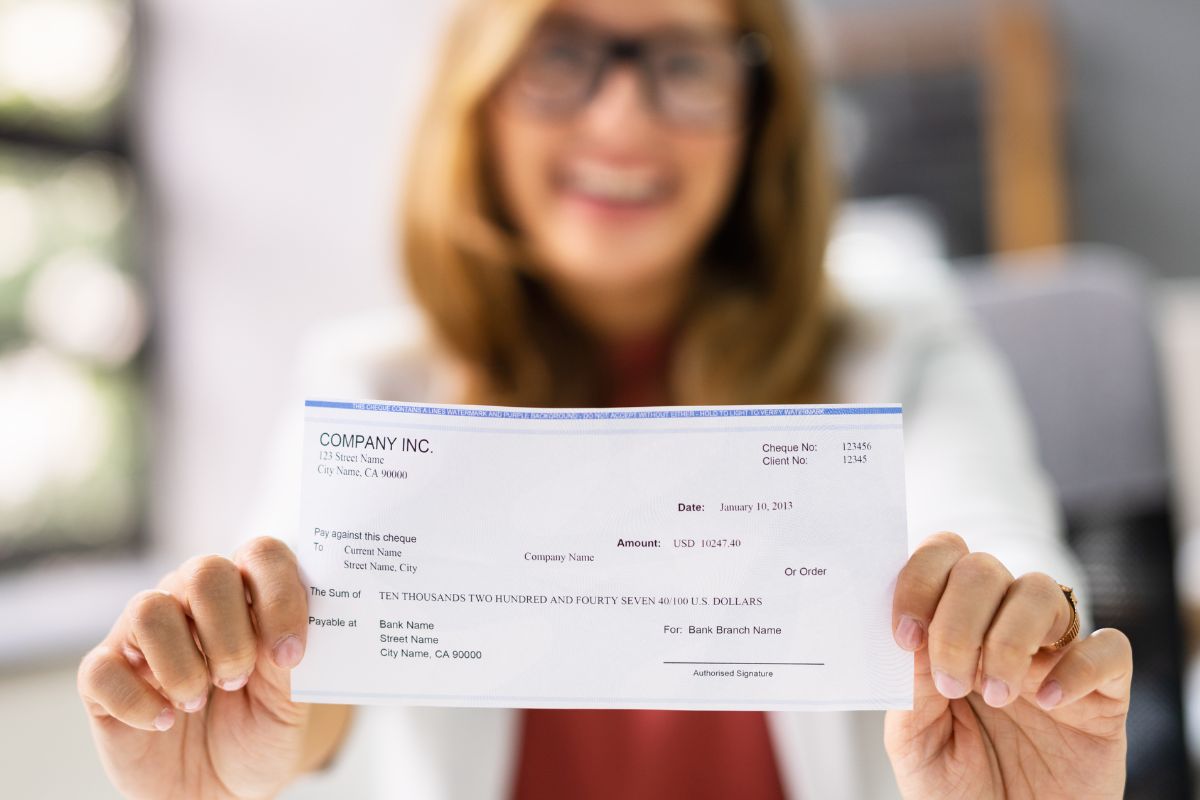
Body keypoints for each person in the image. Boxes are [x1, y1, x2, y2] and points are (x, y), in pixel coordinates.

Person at [77, 0, 1133, 797]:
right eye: (560, 54)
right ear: (481, 98)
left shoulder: (902, 349)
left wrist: (1016, 652)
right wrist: (230, 736)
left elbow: (1000, 545)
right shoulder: (367, 384)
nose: (622, 114)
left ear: (758, 114)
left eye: (685, 62)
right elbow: (307, 667)